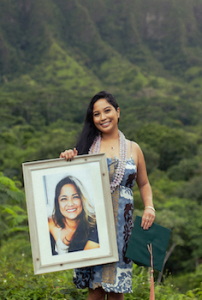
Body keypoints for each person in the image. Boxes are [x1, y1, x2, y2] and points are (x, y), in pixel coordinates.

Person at [60, 91, 155, 300]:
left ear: (118, 112)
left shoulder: (133, 148)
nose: (103, 117)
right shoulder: (86, 149)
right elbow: (69, 181)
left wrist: (149, 206)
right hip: (93, 226)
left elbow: (144, 183)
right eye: (96, 114)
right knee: (95, 290)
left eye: (107, 111)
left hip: (122, 228)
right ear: (92, 119)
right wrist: (68, 158)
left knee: (116, 290)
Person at [48, 175, 99, 255]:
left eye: (75, 197)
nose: (70, 204)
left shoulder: (97, 224)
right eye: (64, 199)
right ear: (57, 203)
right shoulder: (50, 223)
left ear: (82, 199)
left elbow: (85, 261)